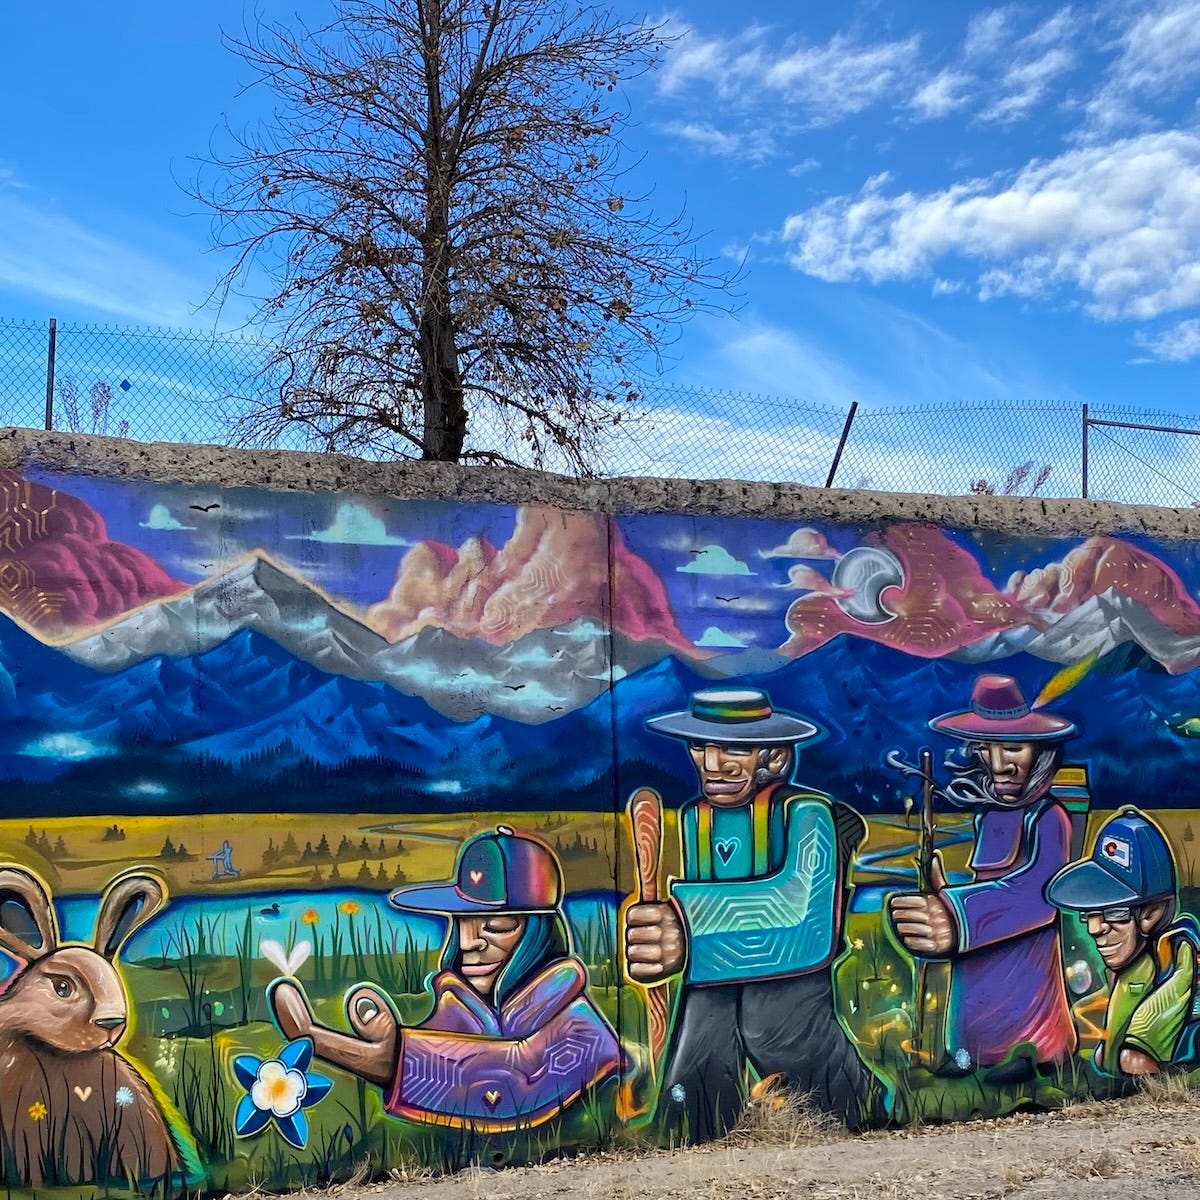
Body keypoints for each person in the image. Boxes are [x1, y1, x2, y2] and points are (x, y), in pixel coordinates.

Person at [623, 687, 883, 1140]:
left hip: (792, 990)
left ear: (774, 757)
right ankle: (689, 1130)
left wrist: (687, 927)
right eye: (701, 746)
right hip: (715, 979)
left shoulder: (807, 814)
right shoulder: (696, 818)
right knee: (696, 1066)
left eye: (734, 749)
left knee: (786, 1039)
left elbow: (806, 914)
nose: (712, 763)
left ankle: (863, 1107)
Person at [269, 826, 620, 1130]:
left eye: (496, 926)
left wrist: (388, 1056)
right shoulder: (465, 1011)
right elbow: (449, 1047)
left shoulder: (584, 1032)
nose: (469, 943)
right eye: (460, 923)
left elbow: (514, 1078)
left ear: (538, 935)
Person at [888, 674, 1077, 1083]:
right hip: (979, 947)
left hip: (1025, 949)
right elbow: (987, 879)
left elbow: (1040, 894)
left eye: (1012, 748)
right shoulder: (988, 814)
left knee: (1020, 994)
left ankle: (1035, 1051)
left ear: (1039, 752)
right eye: (987, 749)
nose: (999, 763)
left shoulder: (1048, 818)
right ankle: (970, 1053)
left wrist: (958, 916)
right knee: (974, 997)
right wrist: (945, 891)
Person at [1048, 807, 1200, 1076]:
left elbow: (1136, 1060)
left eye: (1115, 912)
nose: (1095, 928)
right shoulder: (1131, 967)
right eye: (1089, 913)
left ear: (1151, 914)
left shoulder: (1175, 961)